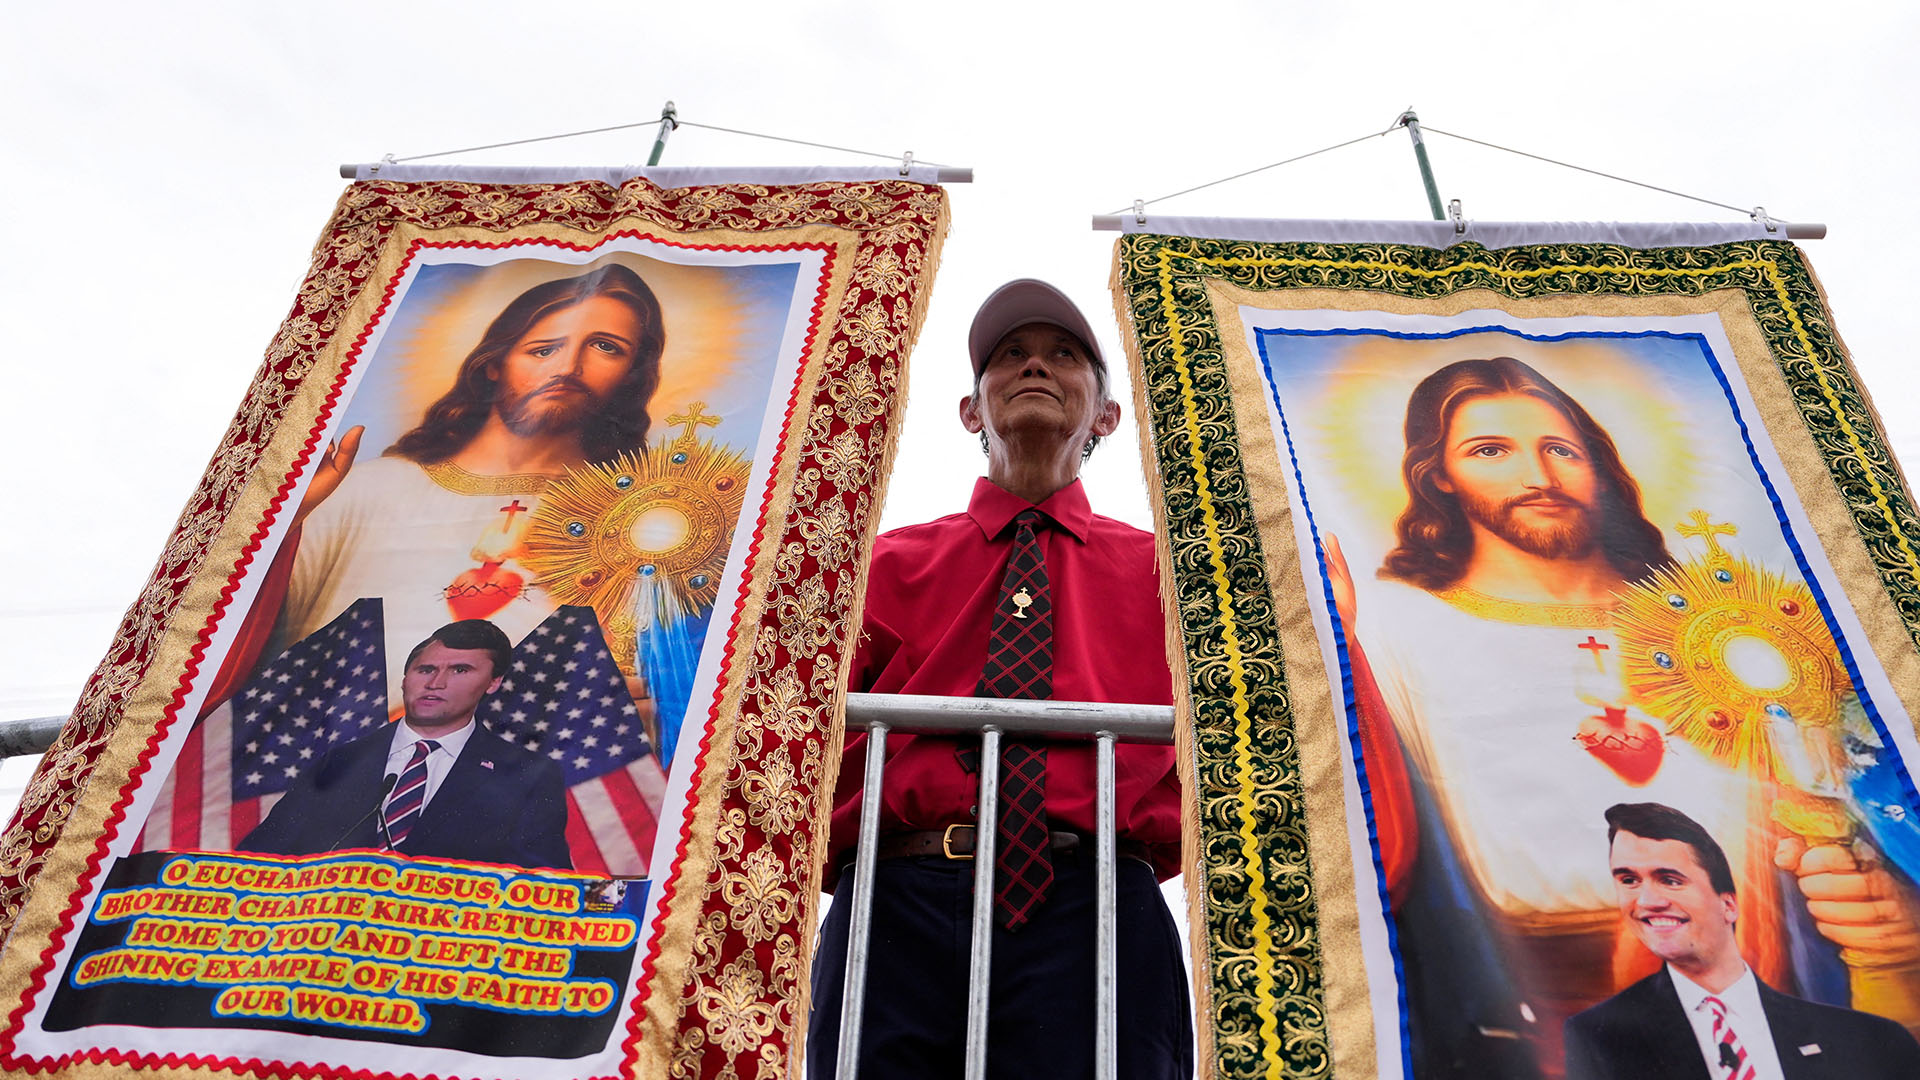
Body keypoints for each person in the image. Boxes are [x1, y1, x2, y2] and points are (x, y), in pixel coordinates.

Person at [1322, 356, 1920, 1076]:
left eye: (1560, 450)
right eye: (1490, 450)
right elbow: (1367, 821)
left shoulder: (1723, 624)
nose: (1537, 476)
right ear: (1438, 474)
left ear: (1598, 463)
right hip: (1536, 1021)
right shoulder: (1395, 629)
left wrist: (1890, 901)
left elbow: (1863, 789)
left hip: (1790, 990)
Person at [807, 280, 1191, 1079]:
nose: (1034, 367)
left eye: (1063, 356)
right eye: (1009, 356)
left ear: (1107, 418)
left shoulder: (1176, 579)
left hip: (1098, 901)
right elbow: (787, 725)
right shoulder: (878, 565)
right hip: (893, 897)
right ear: (971, 411)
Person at [205, 262, 666, 739]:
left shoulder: (640, 525)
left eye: (606, 348)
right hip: (321, 772)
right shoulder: (365, 490)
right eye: (543, 349)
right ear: (494, 362)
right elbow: (235, 636)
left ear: (632, 375)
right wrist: (280, 521)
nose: (568, 367)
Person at [1564, 802, 1920, 1079]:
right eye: (1628, 880)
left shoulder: (1867, 1038)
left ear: (1728, 905)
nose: (1646, 901)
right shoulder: (1598, 1037)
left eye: (1670, 880)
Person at [238, 619, 571, 869]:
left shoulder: (527, 774)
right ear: (405, 677)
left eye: (459, 670)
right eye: (425, 669)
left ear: (493, 683)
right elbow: (261, 859)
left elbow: (541, 884)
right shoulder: (340, 761)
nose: (435, 683)